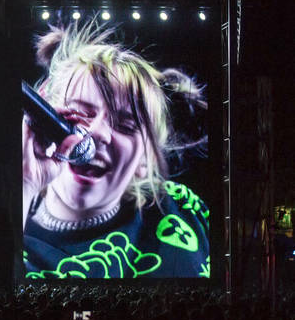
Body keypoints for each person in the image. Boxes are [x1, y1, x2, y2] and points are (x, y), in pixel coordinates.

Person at [22, 22, 209, 279]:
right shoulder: (11, 214)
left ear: (146, 158)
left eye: (125, 125)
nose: (98, 133)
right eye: (80, 113)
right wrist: (26, 183)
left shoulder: (186, 210)